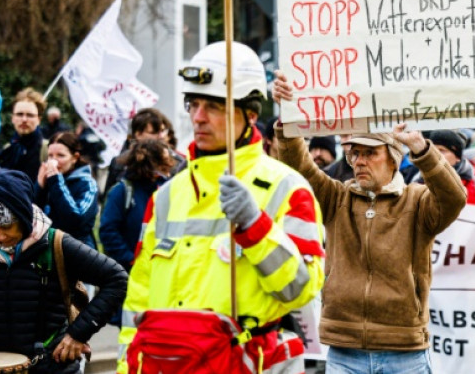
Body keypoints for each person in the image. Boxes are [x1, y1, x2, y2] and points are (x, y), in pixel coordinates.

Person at [118, 42, 325, 374]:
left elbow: (300, 292)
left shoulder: (288, 188)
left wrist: (256, 229)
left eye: (214, 107)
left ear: (251, 114)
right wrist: (128, 365)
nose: (198, 117)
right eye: (193, 104)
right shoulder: (167, 196)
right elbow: (138, 297)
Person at [272, 69, 468, 374]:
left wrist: (423, 151)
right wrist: (288, 117)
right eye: (355, 154)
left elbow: (454, 197)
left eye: (370, 153)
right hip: (343, 349)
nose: (359, 161)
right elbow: (299, 168)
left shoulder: (417, 202)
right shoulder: (338, 198)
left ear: (392, 158)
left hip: (404, 352)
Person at [0, 169, 127, 373]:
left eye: (6, 226)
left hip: (53, 366)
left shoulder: (57, 243)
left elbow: (117, 278)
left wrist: (79, 334)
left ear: (23, 216)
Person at [99, 139, 176, 272]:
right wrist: (130, 259)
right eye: (163, 167)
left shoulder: (166, 190)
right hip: (128, 272)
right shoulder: (122, 191)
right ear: (150, 165)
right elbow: (108, 231)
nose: (167, 173)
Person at [36, 132, 99, 250]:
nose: (54, 161)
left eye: (60, 155)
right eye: (50, 156)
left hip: (79, 251)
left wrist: (56, 181)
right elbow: (34, 216)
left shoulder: (87, 184)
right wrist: (40, 188)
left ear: (75, 158)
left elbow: (76, 220)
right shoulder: (49, 180)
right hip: (49, 249)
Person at [416, 130, 475, 209]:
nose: (436, 155)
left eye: (442, 150)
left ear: (457, 157)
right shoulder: (418, 183)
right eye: (433, 151)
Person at [0, 87, 48, 179]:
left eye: (30, 115)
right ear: (13, 118)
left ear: (39, 119)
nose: (24, 119)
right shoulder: (8, 149)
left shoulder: (47, 151)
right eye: (19, 114)